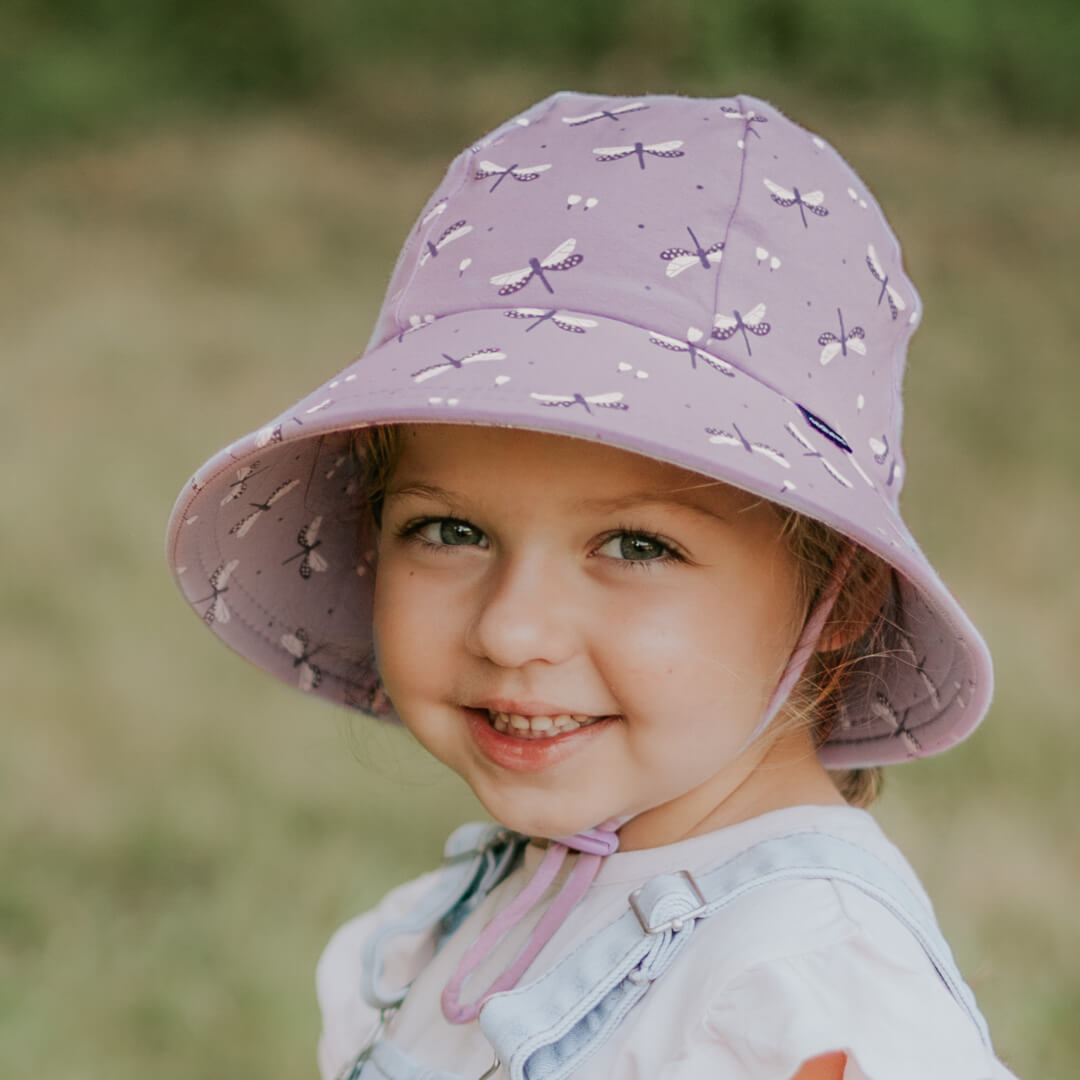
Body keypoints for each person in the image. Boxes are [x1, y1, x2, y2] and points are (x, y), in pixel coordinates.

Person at [166, 92, 1018, 1079]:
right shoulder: (470, 924)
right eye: (449, 530)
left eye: (638, 546)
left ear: (846, 592)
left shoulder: (797, 994)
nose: (515, 630)